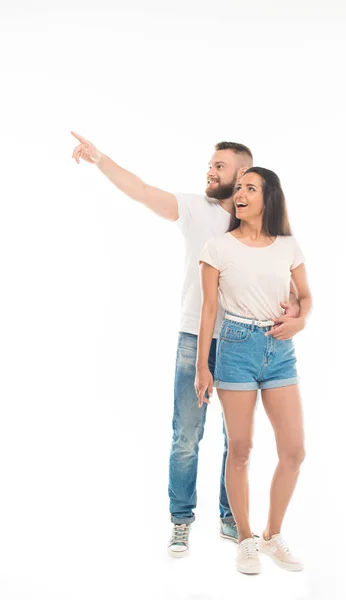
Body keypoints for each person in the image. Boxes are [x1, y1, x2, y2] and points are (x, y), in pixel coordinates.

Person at [71, 134, 301, 557]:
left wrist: (293, 314)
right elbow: (141, 191)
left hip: (244, 341)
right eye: (209, 165)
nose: (210, 171)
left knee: (238, 440)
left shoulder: (260, 224)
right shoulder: (197, 209)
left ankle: (233, 519)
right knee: (187, 434)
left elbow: (284, 279)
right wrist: (100, 158)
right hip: (195, 337)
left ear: (242, 176)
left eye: (220, 166)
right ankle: (181, 520)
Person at [195, 167, 312, 575]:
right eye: (239, 187)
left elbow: (306, 297)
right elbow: (209, 310)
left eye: (250, 188)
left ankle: (271, 535)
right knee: (240, 448)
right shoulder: (218, 247)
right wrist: (202, 369)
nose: (241, 193)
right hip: (236, 347)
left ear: (269, 197)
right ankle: (244, 539)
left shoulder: (287, 244)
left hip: (280, 349)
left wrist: (300, 319)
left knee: (294, 451)